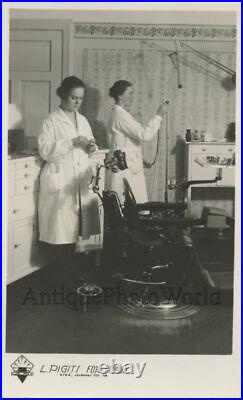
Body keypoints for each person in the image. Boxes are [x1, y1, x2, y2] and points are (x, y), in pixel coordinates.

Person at [38, 76, 99, 288]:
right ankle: (63, 281)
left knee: (83, 233)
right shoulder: (51, 120)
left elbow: (92, 147)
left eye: (80, 99)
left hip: (81, 179)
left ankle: (80, 278)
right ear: (63, 95)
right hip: (61, 179)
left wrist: (91, 148)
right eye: (73, 97)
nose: (77, 102)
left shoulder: (82, 120)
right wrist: (71, 142)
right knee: (63, 235)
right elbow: (45, 151)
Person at [106, 80, 168, 204]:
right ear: (120, 96)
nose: (133, 97)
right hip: (125, 169)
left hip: (127, 165)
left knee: (130, 208)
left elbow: (124, 143)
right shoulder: (121, 115)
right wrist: (159, 115)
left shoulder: (120, 114)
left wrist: (139, 158)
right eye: (130, 93)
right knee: (127, 208)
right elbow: (145, 135)